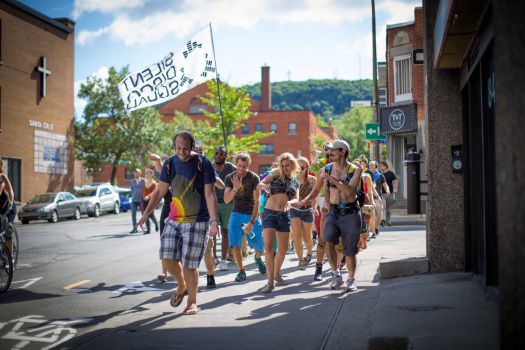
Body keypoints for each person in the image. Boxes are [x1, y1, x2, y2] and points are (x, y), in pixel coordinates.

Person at [138, 131, 218, 315]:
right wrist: (146, 212)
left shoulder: (202, 163)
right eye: (178, 148)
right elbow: (159, 191)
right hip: (175, 218)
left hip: (198, 220)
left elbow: (209, 193)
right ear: (174, 147)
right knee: (167, 259)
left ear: (192, 147)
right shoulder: (169, 163)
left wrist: (213, 221)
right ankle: (182, 285)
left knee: (190, 265)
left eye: (185, 148)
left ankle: (192, 302)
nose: (182, 152)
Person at [300, 140, 362, 292]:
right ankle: (336, 275)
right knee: (327, 241)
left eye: (334, 150)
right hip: (333, 211)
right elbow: (316, 190)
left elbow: (349, 191)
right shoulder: (326, 169)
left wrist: (332, 179)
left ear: (343, 152)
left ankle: (351, 280)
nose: (330, 153)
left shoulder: (355, 170)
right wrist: (306, 200)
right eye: (330, 151)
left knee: (350, 249)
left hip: (351, 211)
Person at [257, 152, 300, 293]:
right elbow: (260, 184)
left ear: (292, 165)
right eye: (283, 165)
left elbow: (296, 199)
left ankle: (276, 274)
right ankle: (270, 283)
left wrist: (290, 203)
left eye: (287, 165)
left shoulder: (295, 181)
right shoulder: (275, 174)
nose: (285, 168)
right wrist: (264, 187)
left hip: (284, 215)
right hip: (269, 213)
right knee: (269, 248)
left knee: (283, 249)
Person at [223, 152, 266, 283]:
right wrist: (235, 187)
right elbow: (226, 200)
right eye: (239, 166)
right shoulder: (229, 178)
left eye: (245, 166)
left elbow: (257, 201)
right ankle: (241, 271)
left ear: (248, 166)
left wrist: (252, 222)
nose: (241, 169)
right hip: (236, 213)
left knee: (261, 248)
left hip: (251, 214)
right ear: (235, 164)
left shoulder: (254, 177)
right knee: (235, 244)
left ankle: (258, 258)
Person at [308, 142, 333, 281]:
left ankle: (338, 265)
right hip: (323, 199)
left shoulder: (344, 166)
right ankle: (318, 267)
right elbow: (312, 168)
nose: (330, 152)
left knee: (338, 238)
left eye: (332, 149)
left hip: (338, 201)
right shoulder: (323, 165)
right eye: (327, 150)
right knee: (322, 236)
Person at [289, 156, 316, 270]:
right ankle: (300, 260)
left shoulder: (312, 180)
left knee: (307, 238)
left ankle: (309, 253)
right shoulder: (291, 179)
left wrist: (314, 208)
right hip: (294, 210)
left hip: (307, 210)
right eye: (298, 167)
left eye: (302, 168)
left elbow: (314, 196)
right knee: (296, 236)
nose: (300, 170)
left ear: (307, 168)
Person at [213, 146, 236, 271]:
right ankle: (214, 258)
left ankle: (223, 260)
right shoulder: (209, 167)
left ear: (225, 156)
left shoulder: (231, 168)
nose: (218, 155)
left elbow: (241, 176)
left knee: (225, 232)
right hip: (213, 203)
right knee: (213, 232)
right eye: (216, 153)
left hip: (228, 204)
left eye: (221, 154)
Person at [369, 161, 389, 237]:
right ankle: (373, 230)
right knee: (372, 215)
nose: (371, 166)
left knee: (379, 215)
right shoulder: (367, 175)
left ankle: (377, 227)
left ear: (376, 166)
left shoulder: (380, 176)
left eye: (372, 165)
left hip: (379, 198)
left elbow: (385, 185)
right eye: (370, 165)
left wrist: (387, 190)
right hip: (370, 198)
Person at [0, 159, 14, 256]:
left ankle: (11, 256)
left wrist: (10, 205)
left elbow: (11, 194)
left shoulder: (3, 178)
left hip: (9, 207)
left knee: (8, 231)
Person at [141, 168, 159, 234]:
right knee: (145, 215)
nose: (147, 175)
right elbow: (143, 191)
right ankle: (148, 230)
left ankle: (156, 224)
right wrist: (143, 197)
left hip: (151, 201)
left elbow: (154, 192)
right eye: (146, 174)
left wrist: (148, 196)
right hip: (144, 201)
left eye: (148, 173)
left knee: (151, 215)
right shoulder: (144, 182)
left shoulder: (154, 183)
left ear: (152, 174)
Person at [380, 161, 398, 226]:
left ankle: (388, 221)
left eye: (382, 166)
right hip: (381, 194)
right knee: (383, 208)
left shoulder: (390, 173)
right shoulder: (379, 174)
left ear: (385, 166)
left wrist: (395, 189)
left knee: (389, 209)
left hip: (390, 193)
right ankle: (383, 222)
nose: (381, 167)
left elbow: (395, 181)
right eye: (380, 166)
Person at [129, 169, 145, 234]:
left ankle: (147, 228)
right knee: (133, 214)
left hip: (141, 200)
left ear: (140, 173)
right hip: (134, 200)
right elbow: (132, 190)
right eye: (134, 173)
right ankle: (134, 228)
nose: (135, 174)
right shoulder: (132, 181)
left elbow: (145, 189)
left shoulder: (143, 181)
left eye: (136, 173)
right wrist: (132, 196)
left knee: (144, 214)